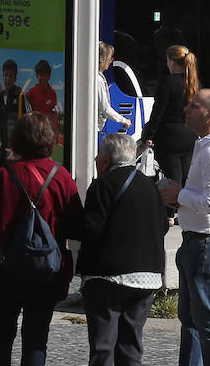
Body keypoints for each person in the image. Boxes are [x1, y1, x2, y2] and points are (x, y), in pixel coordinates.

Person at [0, 113, 83, 366]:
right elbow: (76, 225)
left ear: (18, 139)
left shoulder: (5, 174)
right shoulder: (62, 177)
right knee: (36, 336)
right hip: (47, 269)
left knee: (1, 333)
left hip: (5, 266)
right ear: (49, 140)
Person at [160, 89, 210, 366]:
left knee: (206, 320)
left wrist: (178, 195)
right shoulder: (204, 144)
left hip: (207, 242)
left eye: (194, 106)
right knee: (191, 320)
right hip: (197, 240)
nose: (186, 109)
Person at [80, 133, 168, 366]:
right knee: (131, 345)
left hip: (108, 277)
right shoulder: (150, 187)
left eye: (99, 155)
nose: (97, 159)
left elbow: (91, 230)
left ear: (106, 160)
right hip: (147, 278)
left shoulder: (102, 186)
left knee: (103, 346)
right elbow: (162, 227)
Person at [143, 45, 200, 186]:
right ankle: (185, 205)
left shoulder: (167, 82)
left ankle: (171, 206)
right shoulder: (195, 83)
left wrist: (149, 135)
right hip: (190, 135)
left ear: (172, 62)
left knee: (173, 179)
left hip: (169, 137)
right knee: (186, 177)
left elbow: (158, 112)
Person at [0, 59, 24, 160]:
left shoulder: (19, 95)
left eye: (11, 76)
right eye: (6, 75)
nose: (7, 78)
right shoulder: (0, 96)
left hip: (15, 146)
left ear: (15, 78)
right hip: (2, 144)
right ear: (2, 76)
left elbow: (24, 119)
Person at [97, 42, 130, 133]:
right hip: (94, 128)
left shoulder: (98, 77)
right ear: (101, 59)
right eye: (110, 58)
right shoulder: (97, 79)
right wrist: (124, 120)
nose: (111, 61)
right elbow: (105, 108)